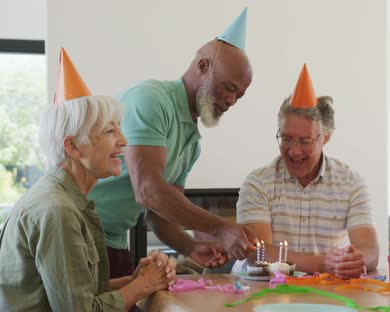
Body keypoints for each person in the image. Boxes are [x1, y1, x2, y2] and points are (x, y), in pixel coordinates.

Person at [0, 48, 175, 311]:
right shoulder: (57, 211)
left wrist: (136, 280)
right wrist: (141, 287)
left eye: (119, 128)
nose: (124, 140)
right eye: (109, 130)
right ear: (73, 147)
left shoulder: (65, 200)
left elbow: (80, 293)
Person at [88, 9, 256, 278]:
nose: (231, 100)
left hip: (114, 241)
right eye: (230, 88)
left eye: (240, 95)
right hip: (76, 233)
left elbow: (159, 214)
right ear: (202, 67)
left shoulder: (192, 145)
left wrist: (191, 246)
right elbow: (148, 192)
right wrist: (220, 227)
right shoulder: (151, 99)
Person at [235, 65, 379, 279]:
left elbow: (370, 251)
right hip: (264, 290)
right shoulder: (258, 183)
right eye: (286, 139)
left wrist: (356, 261)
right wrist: (324, 263)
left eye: (304, 141)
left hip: (327, 292)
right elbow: (259, 253)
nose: (294, 150)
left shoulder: (351, 182)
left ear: (326, 137)